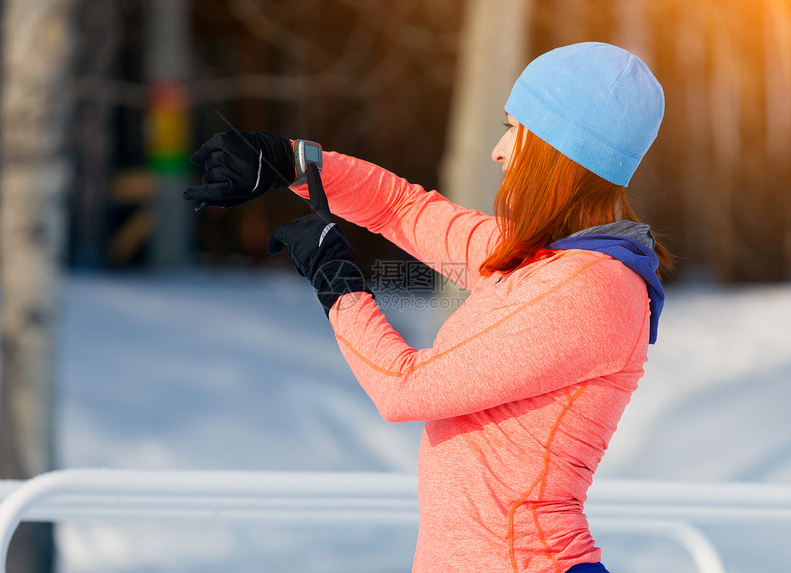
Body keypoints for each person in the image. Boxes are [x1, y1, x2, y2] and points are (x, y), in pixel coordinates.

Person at [186, 42, 672, 573]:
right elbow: (403, 208)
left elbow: (404, 389)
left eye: (515, 128)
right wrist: (292, 160)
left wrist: (336, 280)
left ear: (560, 149)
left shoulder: (587, 288)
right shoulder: (542, 263)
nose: (499, 150)